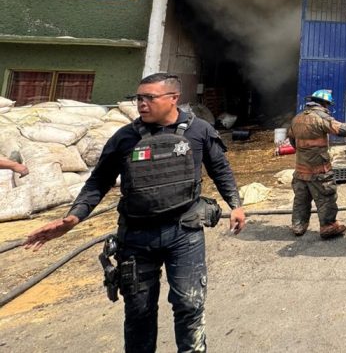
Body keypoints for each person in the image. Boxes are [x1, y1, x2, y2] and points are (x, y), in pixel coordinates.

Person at [24, 73, 246, 353]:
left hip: (184, 233)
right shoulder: (125, 137)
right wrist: (74, 217)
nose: (141, 104)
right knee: (139, 313)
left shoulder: (198, 131)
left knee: (189, 305)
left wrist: (235, 204)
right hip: (136, 238)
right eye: (138, 98)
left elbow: (220, 169)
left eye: (149, 98)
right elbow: (98, 181)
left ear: (173, 98)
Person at [287, 89, 346, 239]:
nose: (328, 108)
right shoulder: (321, 117)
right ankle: (328, 226)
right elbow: (342, 130)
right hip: (319, 170)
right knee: (326, 196)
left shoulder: (297, 118)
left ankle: (298, 225)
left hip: (300, 169)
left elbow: (292, 140)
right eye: (327, 105)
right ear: (323, 103)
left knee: (301, 198)